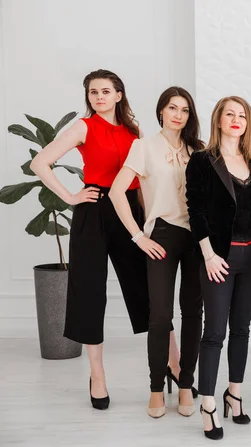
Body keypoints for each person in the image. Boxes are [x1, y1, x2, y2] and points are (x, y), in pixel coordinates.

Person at [30, 69, 153, 410]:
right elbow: (40, 162)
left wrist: (148, 221)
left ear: (118, 95)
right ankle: (97, 374)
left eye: (105, 91)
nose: (98, 97)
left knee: (145, 284)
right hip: (94, 209)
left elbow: (140, 181)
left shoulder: (134, 131)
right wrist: (70, 196)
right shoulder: (84, 127)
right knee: (89, 290)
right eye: (92, 92)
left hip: (128, 209)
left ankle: (169, 362)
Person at [109, 86, 203, 418]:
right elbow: (117, 192)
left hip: (196, 238)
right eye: (172, 108)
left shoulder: (198, 150)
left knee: (193, 314)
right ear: (161, 111)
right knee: (160, 315)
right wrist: (138, 236)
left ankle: (186, 383)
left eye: (185, 110)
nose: (178, 114)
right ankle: (154, 388)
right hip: (161, 234)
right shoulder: (143, 146)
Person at [186, 96, 251, 440]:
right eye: (230, 114)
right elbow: (195, 211)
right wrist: (208, 254)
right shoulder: (202, 161)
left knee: (241, 329)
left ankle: (233, 394)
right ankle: (208, 403)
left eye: (242, 115)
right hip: (218, 259)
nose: (236, 120)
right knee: (215, 333)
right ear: (219, 121)